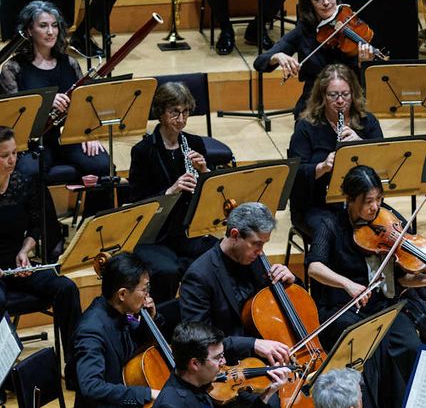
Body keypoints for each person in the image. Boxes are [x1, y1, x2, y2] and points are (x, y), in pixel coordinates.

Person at [306, 165, 426, 408]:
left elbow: (402, 279)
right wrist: (348, 285)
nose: (375, 207)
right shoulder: (330, 225)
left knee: (410, 345)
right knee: (373, 353)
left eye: (378, 199)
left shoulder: (388, 220)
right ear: (350, 200)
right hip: (342, 309)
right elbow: (314, 267)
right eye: (368, 201)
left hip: (383, 306)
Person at [0, 0, 110, 191]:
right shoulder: (12, 68)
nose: (51, 32)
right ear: (28, 31)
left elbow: (84, 106)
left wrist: (88, 133)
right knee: (28, 172)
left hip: (68, 137)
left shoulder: (69, 63)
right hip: (33, 142)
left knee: (101, 165)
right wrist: (47, 104)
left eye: (54, 25)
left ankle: (95, 218)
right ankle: (43, 220)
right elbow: (13, 120)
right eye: (43, 26)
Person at [0, 125, 80, 386]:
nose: (12, 161)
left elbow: (35, 226)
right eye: (4, 156)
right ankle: (4, 377)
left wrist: (25, 251)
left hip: (17, 263)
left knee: (65, 288)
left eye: (14, 153)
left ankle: (74, 366)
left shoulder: (23, 184)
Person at [178, 202, 298, 370]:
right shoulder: (199, 276)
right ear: (235, 235)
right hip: (230, 366)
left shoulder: (255, 260)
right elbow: (199, 339)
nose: (261, 251)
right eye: (256, 243)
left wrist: (290, 281)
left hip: (268, 353)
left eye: (264, 244)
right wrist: (253, 344)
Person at [129, 82, 218, 303]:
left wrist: (205, 171)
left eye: (185, 112)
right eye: (174, 112)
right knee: (168, 272)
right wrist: (171, 190)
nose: (181, 119)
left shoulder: (194, 144)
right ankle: (161, 323)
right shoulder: (143, 151)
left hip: (187, 230)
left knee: (220, 254)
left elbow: (210, 196)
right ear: (160, 112)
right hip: (156, 236)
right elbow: (137, 203)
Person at [254, 0, 381, 114]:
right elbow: (260, 62)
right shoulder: (302, 31)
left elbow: (365, 83)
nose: (326, 2)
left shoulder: (350, 25)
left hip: (346, 102)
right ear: (310, 3)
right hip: (314, 103)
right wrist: (277, 56)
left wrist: (362, 64)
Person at [287, 64, 383, 236]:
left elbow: (383, 162)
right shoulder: (306, 127)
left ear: (353, 94)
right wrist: (322, 166)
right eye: (333, 95)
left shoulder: (367, 122)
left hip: (362, 202)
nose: (340, 101)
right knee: (333, 232)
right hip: (317, 205)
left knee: (395, 226)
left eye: (345, 94)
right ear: (322, 96)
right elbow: (295, 174)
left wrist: (361, 144)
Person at [75, 253, 162, 408]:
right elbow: (91, 387)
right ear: (122, 294)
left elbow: (136, 343)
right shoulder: (91, 331)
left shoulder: (124, 313)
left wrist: (150, 320)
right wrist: (146, 393)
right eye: (144, 289)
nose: (147, 296)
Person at [153, 321, 288, 408]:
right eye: (218, 358)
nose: (224, 362)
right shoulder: (172, 404)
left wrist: (266, 395)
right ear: (195, 363)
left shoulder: (199, 379)